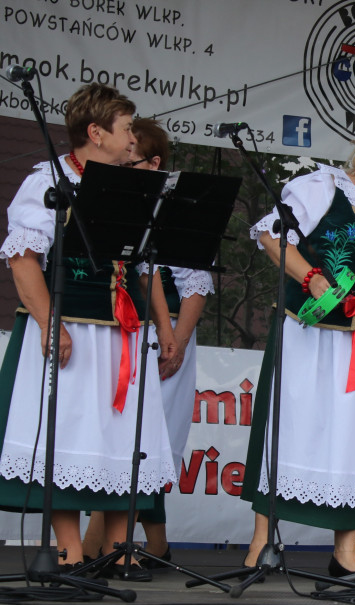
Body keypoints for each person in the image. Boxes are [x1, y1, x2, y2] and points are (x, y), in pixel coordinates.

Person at [0, 84, 177, 579]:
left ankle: (119, 548)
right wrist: (50, 323)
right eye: (124, 129)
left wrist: (164, 326)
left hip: (124, 330)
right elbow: (23, 259)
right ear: (95, 133)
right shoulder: (48, 182)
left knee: (123, 437)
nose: (131, 139)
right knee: (67, 436)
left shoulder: (131, 184)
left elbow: (145, 266)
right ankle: (69, 552)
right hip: (74, 326)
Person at [242, 120, 355, 577]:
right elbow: (270, 235)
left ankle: (345, 552)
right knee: (293, 427)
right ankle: (261, 544)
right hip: (313, 333)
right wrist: (309, 276)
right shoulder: (325, 187)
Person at [82, 118, 213, 568]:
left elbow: (196, 284)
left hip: (167, 333)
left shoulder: (174, 208)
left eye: (131, 156)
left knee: (150, 440)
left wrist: (173, 340)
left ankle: (98, 547)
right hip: (125, 328)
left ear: (153, 163)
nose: (121, 160)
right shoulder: (117, 201)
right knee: (123, 435)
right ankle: (147, 545)